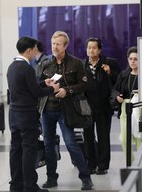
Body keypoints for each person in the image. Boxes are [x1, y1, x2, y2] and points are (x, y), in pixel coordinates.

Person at [39, 31, 94, 190]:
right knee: (48, 145)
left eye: (58, 44)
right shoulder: (45, 63)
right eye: (53, 43)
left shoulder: (76, 63)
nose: (54, 47)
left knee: (71, 143)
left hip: (66, 109)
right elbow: (38, 85)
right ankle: (51, 178)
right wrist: (45, 84)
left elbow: (84, 85)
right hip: (47, 109)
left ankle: (85, 178)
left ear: (65, 46)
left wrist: (67, 90)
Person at [7, 36, 60, 192]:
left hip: (14, 114)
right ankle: (30, 186)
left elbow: (26, 87)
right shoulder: (27, 68)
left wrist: (44, 82)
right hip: (27, 115)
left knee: (15, 150)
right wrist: (52, 89)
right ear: (29, 50)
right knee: (29, 150)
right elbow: (36, 93)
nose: (35, 54)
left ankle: (16, 185)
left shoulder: (12, 66)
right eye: (34, 50)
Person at [82, 37, 121, 175]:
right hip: (87, 107)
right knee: (88, 137)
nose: (91, 50)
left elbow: (118, 81)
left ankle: (103, 165)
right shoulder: (82, 65)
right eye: (88, 47)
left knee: (103, 136)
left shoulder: (109, 63)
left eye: (94, 47)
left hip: (104, 107)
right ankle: (90, 163)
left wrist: (110, 72)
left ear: (99, 50)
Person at [110, 46, 140, 160]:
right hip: (125, 108)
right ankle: (131, 163)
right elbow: (115, 89)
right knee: (124, 138)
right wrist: (117, 96)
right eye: (131, 58)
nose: (132, 61)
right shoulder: (124, 74)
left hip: (139, 108)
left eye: (136, 59)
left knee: (139, 137)